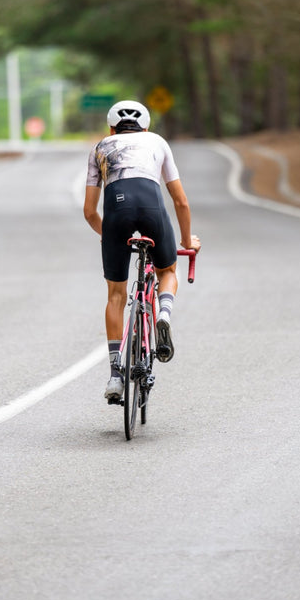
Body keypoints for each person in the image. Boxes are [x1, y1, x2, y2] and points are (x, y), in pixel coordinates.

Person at [83, 99, 201, 401]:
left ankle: (115, 374)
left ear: (111, 128)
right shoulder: (157, 142)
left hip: (116, 213)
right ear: (146, 127)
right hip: (152, 208)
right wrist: (187, 242)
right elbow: (181, 201)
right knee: (167, 270)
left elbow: (89, 211)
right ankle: (163, 313)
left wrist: (107, 234)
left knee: (116, 295)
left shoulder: (100, 148)